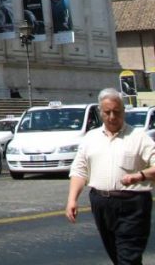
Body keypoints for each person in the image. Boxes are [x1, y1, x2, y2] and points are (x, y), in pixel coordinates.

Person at [66, 88, 155, 264]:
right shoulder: (91, 138)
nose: (112, 117)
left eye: (117, 112)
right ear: (101, 113)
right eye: (107, 112)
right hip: (101, 203)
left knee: (127, 257)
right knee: (117, 255)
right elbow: (79, 170)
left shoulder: (138, 137)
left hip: (133, 204)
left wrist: (140, 176)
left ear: (123, 111)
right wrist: (72, 200)